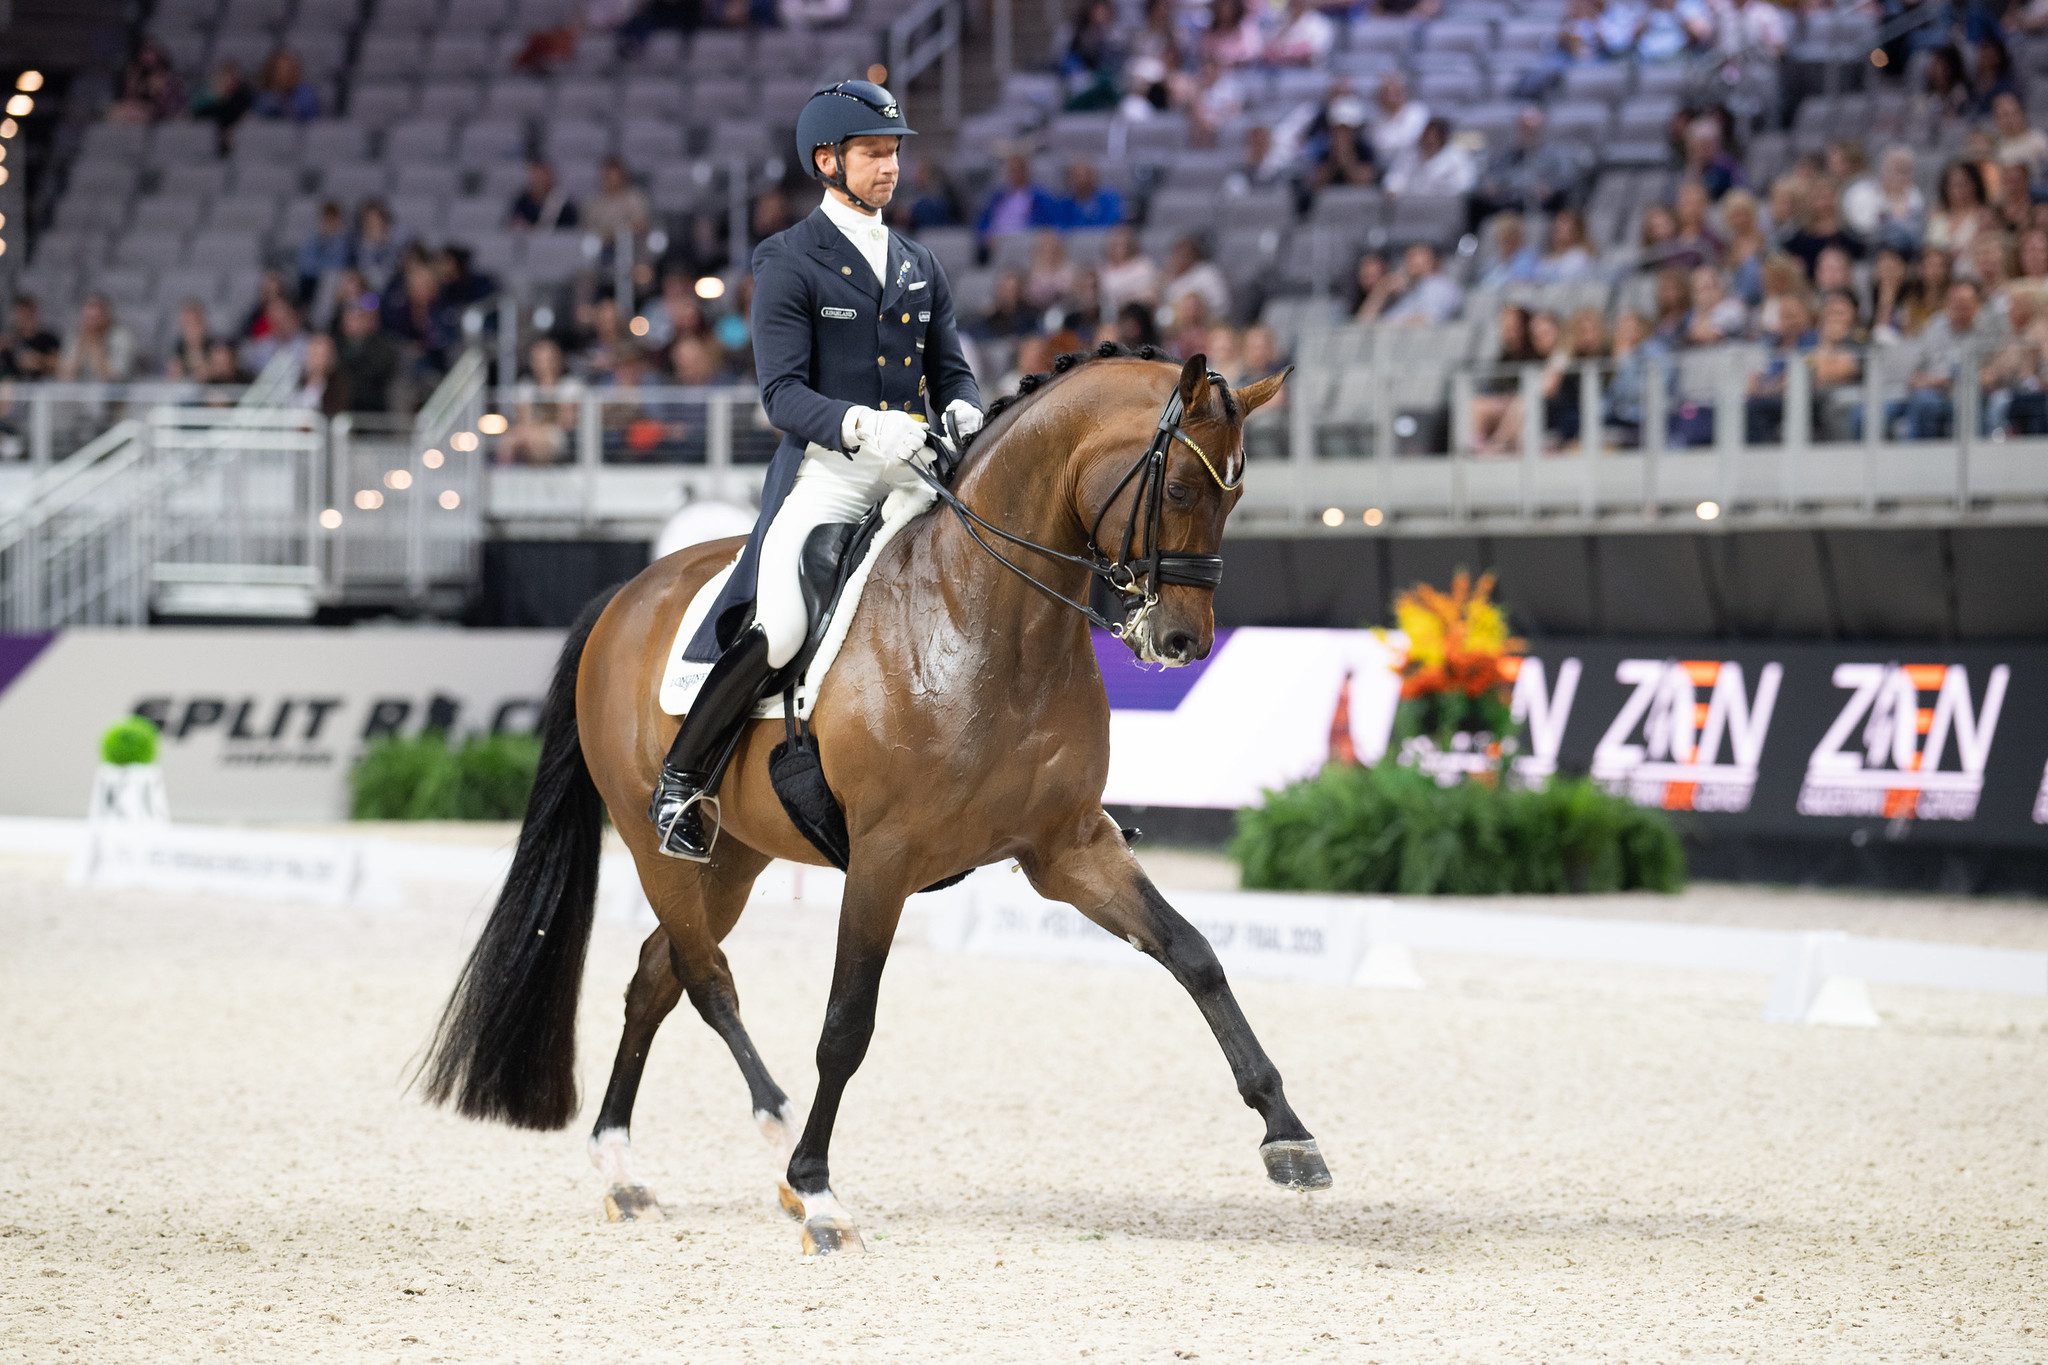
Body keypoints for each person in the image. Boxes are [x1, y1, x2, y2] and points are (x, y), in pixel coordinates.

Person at [649, 80, 984, 861]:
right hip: (828, 474)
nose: (889, 166)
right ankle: (682, 778)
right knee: (784, 623)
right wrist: (864, 423)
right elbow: (782, 395)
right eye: (873, 153)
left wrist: (964, 408)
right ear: (828, 160)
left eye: (894, 151)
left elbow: (952, 368)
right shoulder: (790, 260)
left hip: (913, 470)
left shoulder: (917, 262)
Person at [56, 295, 136, 382]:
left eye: (96, 318)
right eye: (89, 318)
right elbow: (65, 376)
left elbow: (114, 378)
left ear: (107, 317)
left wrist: (95, 345)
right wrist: (80, 348)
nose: (92, 324)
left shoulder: (121, 338)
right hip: (81, 392)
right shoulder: (75, 337)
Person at [584, 157, 652, 241]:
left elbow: (641, 226)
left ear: (623, 177)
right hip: (600, 248)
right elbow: (587, 230)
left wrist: (613, 236)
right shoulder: (594, 203)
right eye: (607, 177)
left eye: (614, 177)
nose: (610, 181)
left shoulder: (634, 199)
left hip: (628, 248)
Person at [0, 295, 62, 380]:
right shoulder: (10, 341)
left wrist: (39, 361)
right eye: (20, 313)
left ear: (34, 313)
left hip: (44, 386)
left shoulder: (48, 338)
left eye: (27, 313)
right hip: (16, 385)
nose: (23, 317)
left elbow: (60, 364)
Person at [508, 160, 580, 231]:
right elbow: (513, 223)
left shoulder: (564, 205)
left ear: (550, 178)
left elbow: (569, 231)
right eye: (535, 177)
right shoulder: (522, 202)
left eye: (541, 177)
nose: (538, 181)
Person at [252, 47, 320, 121]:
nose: (284, 75)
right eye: (279, 70)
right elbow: (258, 118)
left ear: (295, 71)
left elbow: (309, 116)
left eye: (288, 70)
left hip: (300, 131)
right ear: (272, 72)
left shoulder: (306, 92)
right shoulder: (263, 95)